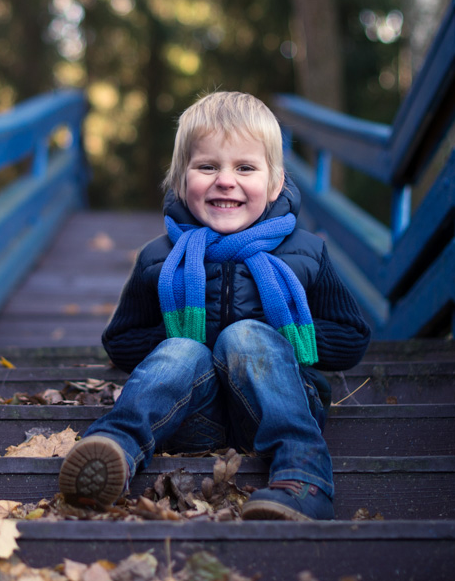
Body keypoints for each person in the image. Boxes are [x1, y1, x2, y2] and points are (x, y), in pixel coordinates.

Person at [58, 91, 371, 521]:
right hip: (191, 417)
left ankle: (304, 476)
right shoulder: (160, 258)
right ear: (182, 181)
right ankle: (113, 450)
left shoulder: (306, 252)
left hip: (277, 405)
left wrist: (273, 337)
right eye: (208, 166)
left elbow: (352, 336)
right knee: (182, 349)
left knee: (244, 336)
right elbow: (122, 341)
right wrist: (186, 337)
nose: (226, 180)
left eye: (245, 167)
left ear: (276, 183)